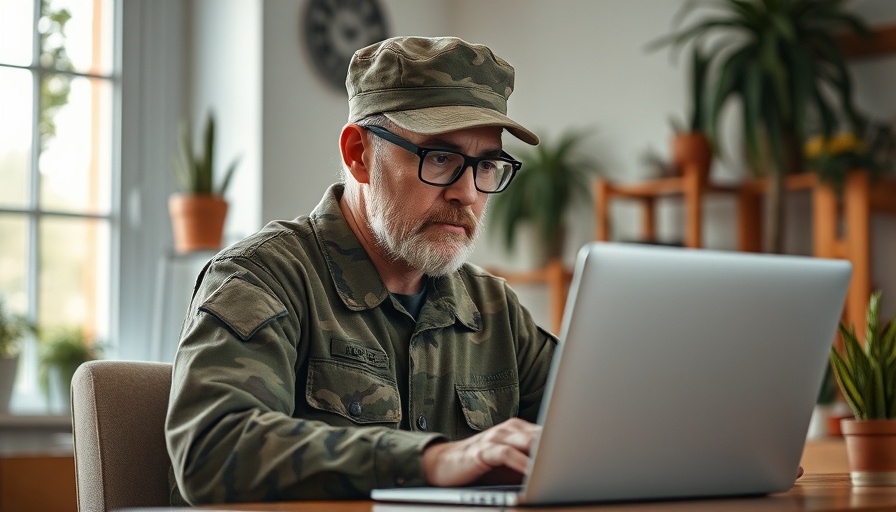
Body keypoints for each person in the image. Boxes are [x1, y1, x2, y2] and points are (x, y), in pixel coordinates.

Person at [165, 35, 557, 505]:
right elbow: (212, 450)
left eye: (487, 165)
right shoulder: (262, 279)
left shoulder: (494, 310)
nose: (468, 194)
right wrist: (429, 462)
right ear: (359, 154)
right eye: (440, 158)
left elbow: (599, 429)